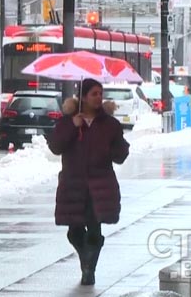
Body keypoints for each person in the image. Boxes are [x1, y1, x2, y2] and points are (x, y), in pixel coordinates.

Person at [48, 78, 130, 286]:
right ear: (83, 97)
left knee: (94, 229)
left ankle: (88, 270)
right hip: (73, 185)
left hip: (100, 185)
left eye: (100, 93)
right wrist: (72, 127)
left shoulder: (110, 124)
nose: (99, 97)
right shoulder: (68, 121)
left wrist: (112, 149)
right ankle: (86, 257)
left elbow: (121, 153)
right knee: (74, 231)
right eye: (94, 94)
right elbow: (55, 146)